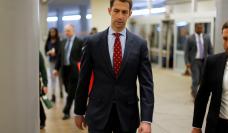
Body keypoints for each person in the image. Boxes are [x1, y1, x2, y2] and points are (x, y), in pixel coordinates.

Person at [74, 0, 155, 133]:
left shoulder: (140, 44)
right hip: (98, 112)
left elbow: (146, 84)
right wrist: (79, 111)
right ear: (109, 11)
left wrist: (146, 120)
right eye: (116, 11)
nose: (120, 16)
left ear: (130, 14)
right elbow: (83, 80)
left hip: (127, 114)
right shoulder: (92, 42)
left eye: (124, 12)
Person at [192, 19, 228, 133]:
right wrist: (196, 126)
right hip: (218, 126)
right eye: (225, 39)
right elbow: (202, 96)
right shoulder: (213, 62)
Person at [53, 24, 84, 120]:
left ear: (73, 30)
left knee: (70, 92)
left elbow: (83, 57)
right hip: (64, 70)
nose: (67, 32)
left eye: (69, 30)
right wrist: (56, 68)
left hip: (74, 70)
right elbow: (59, 56)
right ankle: (82, 107)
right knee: (68, 90)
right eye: (66, 30)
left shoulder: (79, 42)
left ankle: (66, 111)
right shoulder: (62, 42)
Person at [184, 23, 213, 98]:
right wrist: (187, 62)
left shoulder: (206, 37)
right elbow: (186, 52)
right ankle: (195, 96)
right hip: (194, 62)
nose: (200, 29)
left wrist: (212, 58)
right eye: (199, 28)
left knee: (201, 79)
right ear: (195, 28)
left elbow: (210, 49)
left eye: (201, 28)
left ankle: (193, 88)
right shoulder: (190, 38)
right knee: (196, 79)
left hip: (204, 61)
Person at [44, 27, 60, 102]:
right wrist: (49, 52)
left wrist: (55, 53)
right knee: (53, 79)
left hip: (59, 62)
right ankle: (53, 95)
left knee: (60, 79)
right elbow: (46, 52)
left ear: (56, 33)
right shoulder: (48, 41)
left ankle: (61, 92)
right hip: (51, 62)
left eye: (53, 32)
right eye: (51, 32)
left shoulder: (59, 41)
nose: (52, 33)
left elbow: (61, 52)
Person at [39, 52, 48, 129]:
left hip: (36, 81)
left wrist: (45, 84)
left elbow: (43, 69)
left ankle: (43, 119)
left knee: (37, 101)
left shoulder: (38, 54)